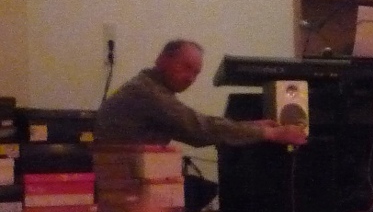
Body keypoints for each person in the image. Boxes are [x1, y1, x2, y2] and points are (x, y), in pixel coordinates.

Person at [95, 39, 307, 148]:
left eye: (196, 73)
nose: (190, 78)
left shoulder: (147, 86)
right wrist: (271, 134)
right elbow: (200, 129)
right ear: (162, 59)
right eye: (186, 67)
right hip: (124, 185)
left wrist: (251, 126)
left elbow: (195, 128)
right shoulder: (146, 92)